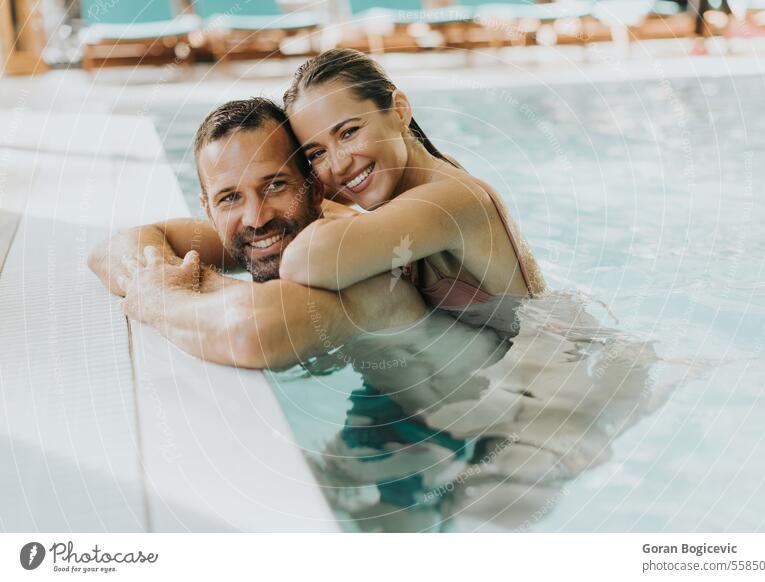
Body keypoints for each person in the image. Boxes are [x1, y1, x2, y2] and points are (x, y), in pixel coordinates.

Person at [89, 97, 426, 370]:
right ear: (208, 209)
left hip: (445, 434)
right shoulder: (255, 232)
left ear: (314, 190)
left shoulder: (355, 256)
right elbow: (111, 249)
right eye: (230, 197)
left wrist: (159, 297)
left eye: (275, 186)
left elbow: (254, 335)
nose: (255, 218)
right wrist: (175, 280)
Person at [279, 48, 545, 311]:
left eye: (349, 132)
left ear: (399, 110)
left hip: (552, 348)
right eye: (318, 153)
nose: (339, 165)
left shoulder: (450, 199)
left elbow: (302, 262)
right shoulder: (415, 174)